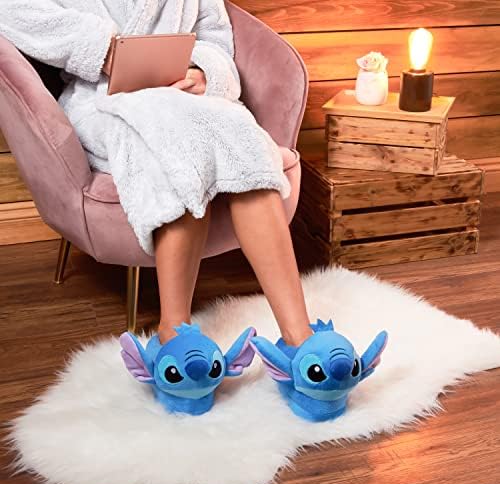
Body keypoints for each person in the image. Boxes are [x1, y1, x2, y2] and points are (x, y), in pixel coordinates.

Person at [0, 0, 314, 349]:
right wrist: (103, 49)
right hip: (103, 98)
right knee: (176, 143)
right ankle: (174, 331)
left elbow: (215, 36)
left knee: (244, 139)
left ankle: (299, 338)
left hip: (186, 95)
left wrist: (203, 73)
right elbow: (11, 10)